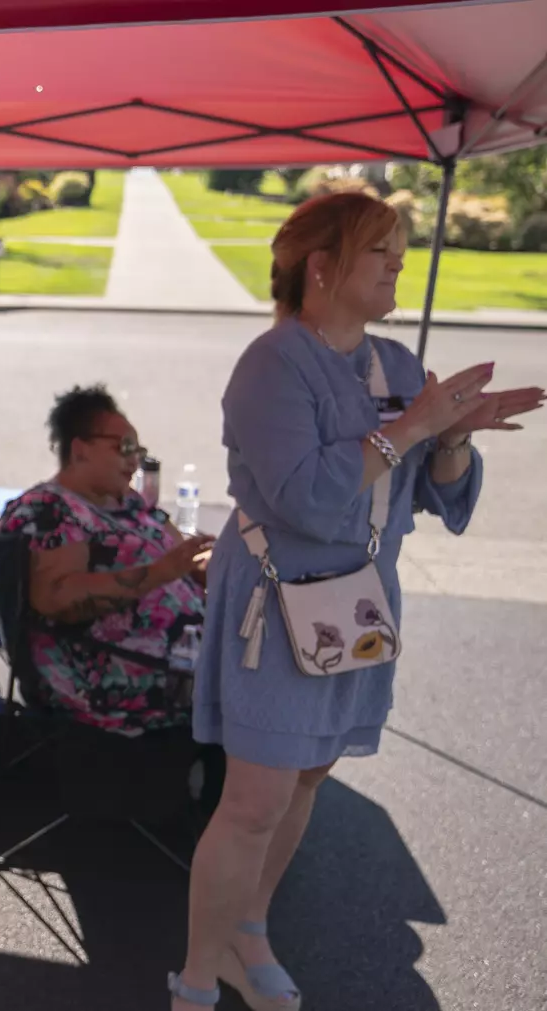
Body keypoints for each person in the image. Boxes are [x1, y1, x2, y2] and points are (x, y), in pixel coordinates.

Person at [167, 192, 543, 1011]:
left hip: (358, 601)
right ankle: (196, 974)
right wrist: (411, 428)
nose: (398, 266)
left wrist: (452, 438)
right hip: (275, 600)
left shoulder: (398, 367)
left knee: (305, 779)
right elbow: (303, 498)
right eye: (383, 253)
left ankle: (250, 929)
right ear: (323, 268)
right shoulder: (270, 366)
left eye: (402, 255)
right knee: (253, 800)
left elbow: (433, 502)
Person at [0, 384, 213, 736]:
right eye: (124, 447)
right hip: (111, 685)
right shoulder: (50, 510)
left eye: (138, 450)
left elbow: (183, 559)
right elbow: (59, 598)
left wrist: (209, 565)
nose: (135, 460)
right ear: (80, 450)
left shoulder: (130, 503)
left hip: (182, 666)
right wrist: (159, 573)